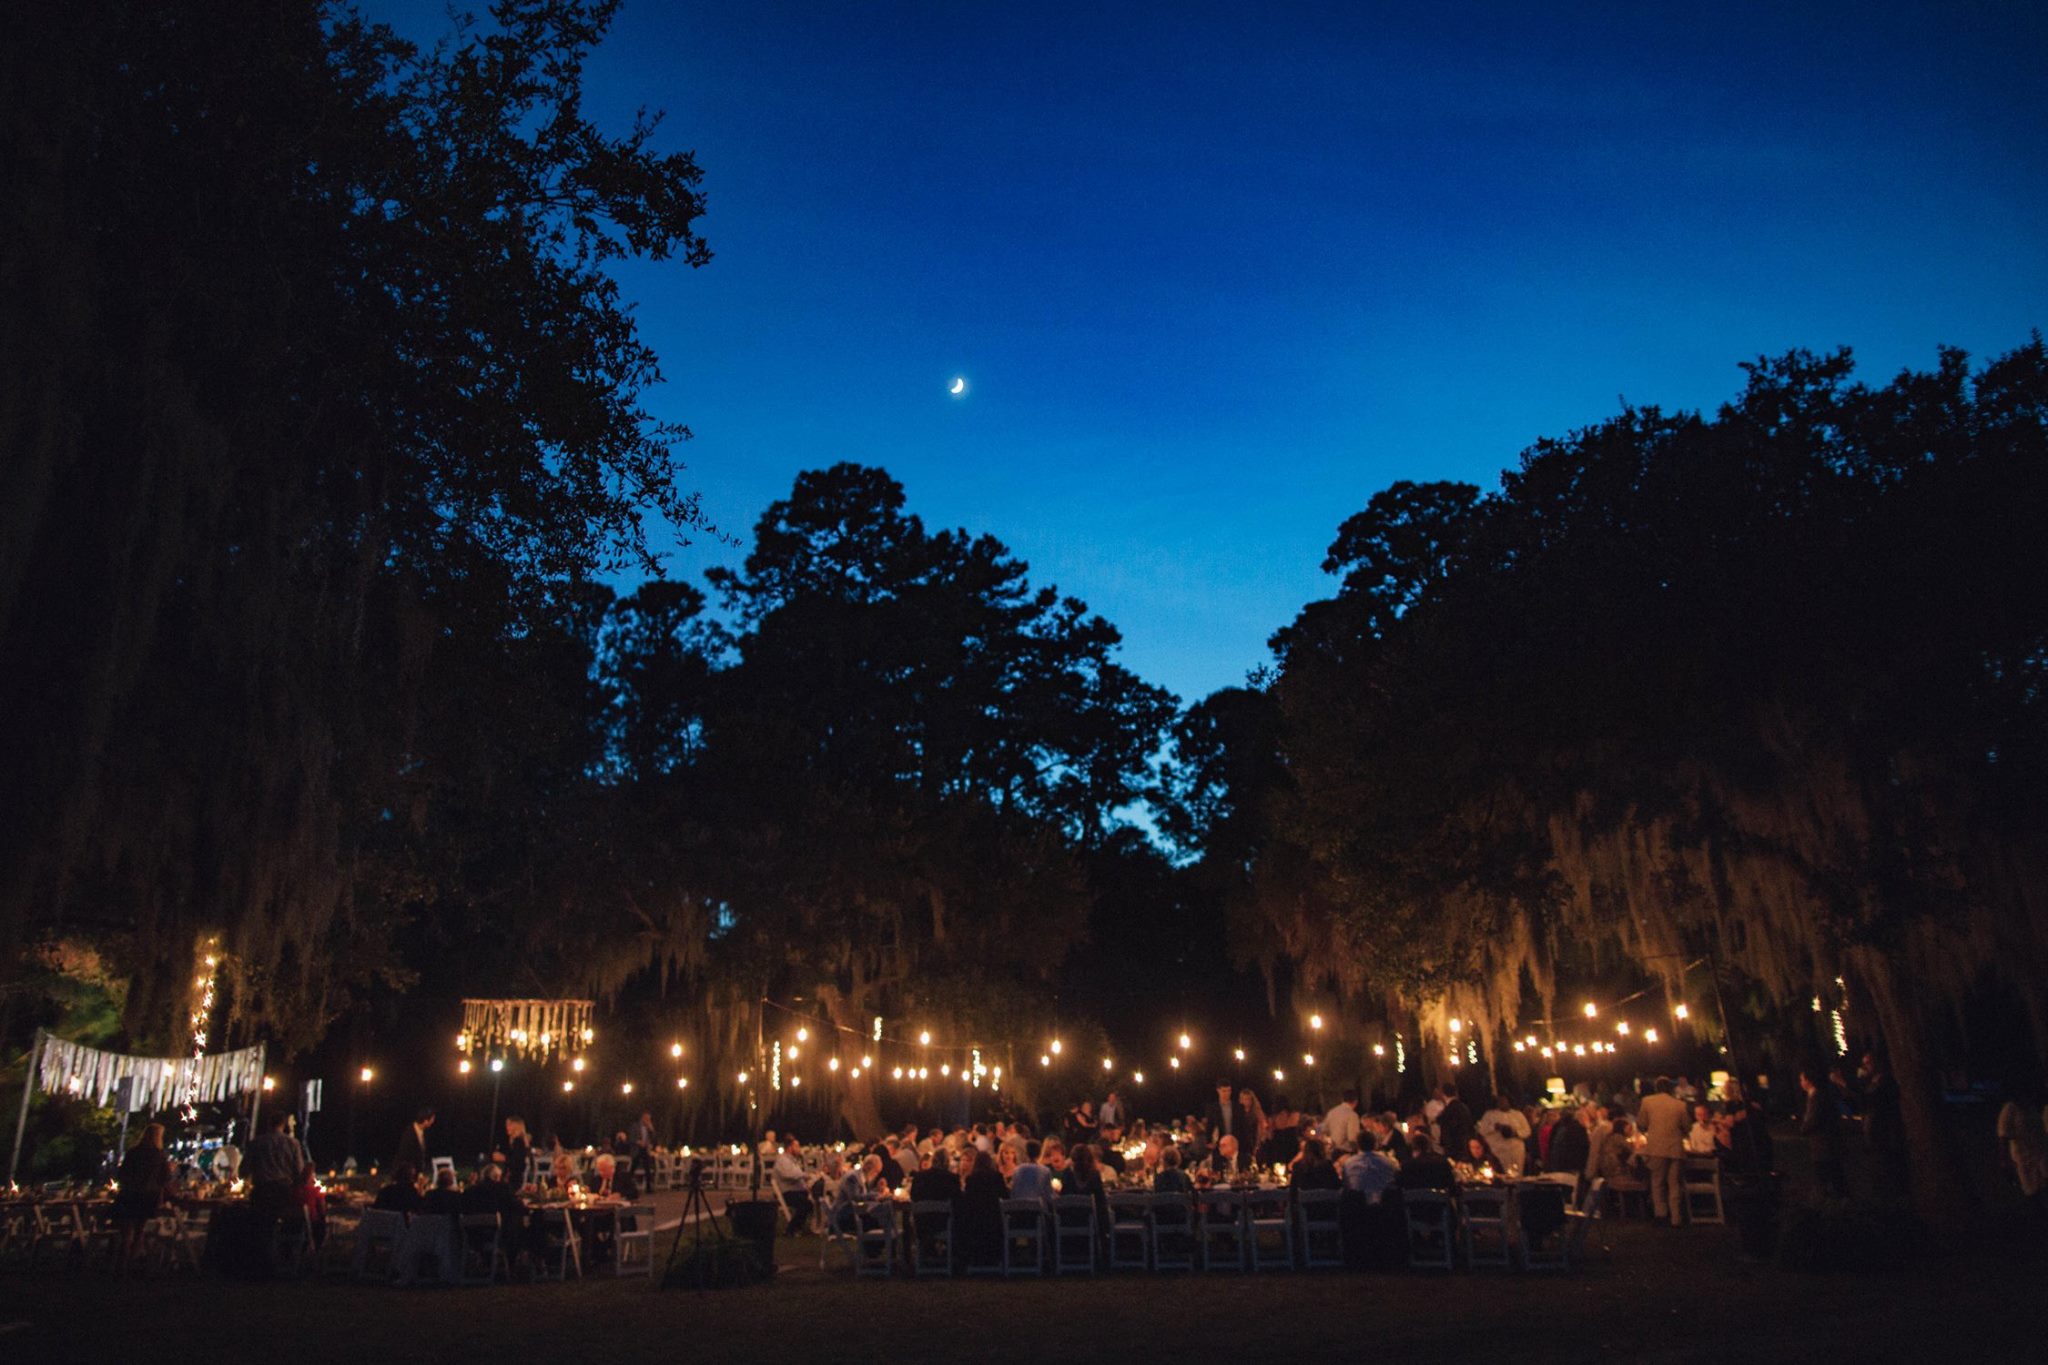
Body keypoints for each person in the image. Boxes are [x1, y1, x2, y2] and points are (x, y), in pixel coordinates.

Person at [111, 1123, 173, 1272]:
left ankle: (120, 1264)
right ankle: (131, 1263)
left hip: (129, 1194)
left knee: (126, 1232)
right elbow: (165, 1177)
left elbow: (122, 1174)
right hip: (147, 1196)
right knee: (139, 1231)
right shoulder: (158, 1155)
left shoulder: (133, 1153)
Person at [1639, 1076, 1690, 1226]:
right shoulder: (1680, 1105)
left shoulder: (1647, 1102)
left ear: (1656, 1087)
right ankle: (1676, 1217)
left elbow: (1642, 1123)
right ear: (1670, 1088)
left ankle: (1661, 1214)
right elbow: (1687, 1126)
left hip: (1656, 1147)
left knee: (1658, 1182)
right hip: (1675, 1147)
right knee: (1674, 1183)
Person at [1799, 1062, 1848, 1200]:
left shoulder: (1817, 1097)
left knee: (1829, 1176)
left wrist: (1804, 1128)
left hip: (1825, 1146)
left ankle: (1834, 1204)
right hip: (1822, 1146)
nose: (1801, 1083)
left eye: (1802, 1079)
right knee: (1832, 1176)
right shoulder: (1814, 1097)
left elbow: (1814, 1119)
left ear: (1808, 1081)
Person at [953, 1144, 1006, 1270]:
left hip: (975, 1220)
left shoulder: (972, 1178)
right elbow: (1005, 1195)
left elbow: (967, 1198)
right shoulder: (997, 1177)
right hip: (994, 1219)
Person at [244, 1110, 304, 1218]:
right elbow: (299, 1170)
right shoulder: (293, 1143)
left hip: (261, 1192)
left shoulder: (256, 1143)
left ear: (269, 1124)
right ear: (284, 1124)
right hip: (284, 1192)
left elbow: (244, 1169)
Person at [1479, 1092, 1532, 1175]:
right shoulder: (1489, 1115)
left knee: (1517, 1173)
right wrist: (1495, 1127)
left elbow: (1527, 1131)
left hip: (1516, 1150)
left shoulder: (1517, 1114)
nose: (1502, 1103)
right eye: (1500, 1101)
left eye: (1504, 1101)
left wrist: (1514, 1133)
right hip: (1498, 1151)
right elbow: (1482, 1130)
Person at [770, 1137, 812, 1233]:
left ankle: (811, 1226)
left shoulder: (792, 1160)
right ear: (789, 1148)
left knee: (815, 1200)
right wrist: (805, 1176)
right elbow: (789, 1175)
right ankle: (791, 1229)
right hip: (788, 1193)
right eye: (797, 1146)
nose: (799, 1149)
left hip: (796, 1191)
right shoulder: (783, 1160)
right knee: (806, 1204)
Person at [1547, 1105, 1592, 1194]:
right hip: (1573, 1166)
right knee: (1572, 1192)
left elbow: (1551, 1144)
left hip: (1558, 1164)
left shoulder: (1558, 1127)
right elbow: (1585, 1148)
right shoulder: (1579, 1129)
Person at [1435, 1084, 1473, 1165]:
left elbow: (1449, 1130)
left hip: (1454, 1148)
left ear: (1443, 1094)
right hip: (1466, 1145)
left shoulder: (1450, 1110)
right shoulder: (1463, 1107)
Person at [294, 1162, 328, 1247]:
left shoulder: (293, 1189)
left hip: (293, 1224)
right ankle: (319, 1247)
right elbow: (322, 1210)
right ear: (311, 1175)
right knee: (322, 1221)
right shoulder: (314, 1190)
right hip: (311, 1225)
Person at [395, 1106, 435, 1175]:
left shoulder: (424, 1132)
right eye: (432, 1119)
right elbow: (405, 1154)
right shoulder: (409, 1133)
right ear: (425, 1121)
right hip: (408, 1173)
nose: (433, 1122)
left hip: (417, 1172)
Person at [1322, 1089, 1362, 1154]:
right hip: (1346, 1152)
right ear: (1356, 1101)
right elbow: (1352, 1138)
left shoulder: (1331, 1112)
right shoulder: (1352, 1115)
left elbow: (1323, 1130)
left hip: (1332, 1150)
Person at [499, 1115, 532, 1187]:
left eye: (509, 1124)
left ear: (516, 1126)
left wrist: (503, 1158)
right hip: (514, 1178)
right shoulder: (517, 1141)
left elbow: (518, 1162)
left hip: (515, 1180)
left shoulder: (519, 1142)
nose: (506, 1127)